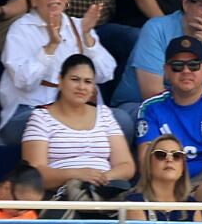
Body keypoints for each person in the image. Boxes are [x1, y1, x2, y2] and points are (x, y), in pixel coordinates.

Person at [0, 0, 120, 146]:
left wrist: (87, 36)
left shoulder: (79, 26)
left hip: (80, 111)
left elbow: (105, 74)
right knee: (50, 125)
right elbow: (24, 80)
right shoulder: (20, 30)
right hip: (32, 110)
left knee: (123, 121)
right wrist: (51, 45)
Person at [134, 36, 202, 182]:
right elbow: (146, 164)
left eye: (193, 65)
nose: (186, 71)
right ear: (166, 71)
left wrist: (187, 190)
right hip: (165, 183)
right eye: (177, 66)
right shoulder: (150, 107)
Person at [20, 54, 134, 192]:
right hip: (64, 196)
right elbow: (34, 174)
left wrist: (100, 179)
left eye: (88, 82)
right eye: (75, 79)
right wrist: (77, 175)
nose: (81, 87)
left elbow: (126, 165)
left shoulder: (104, 114)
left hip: (104, 193)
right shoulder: (41, 117)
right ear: (60, 81)